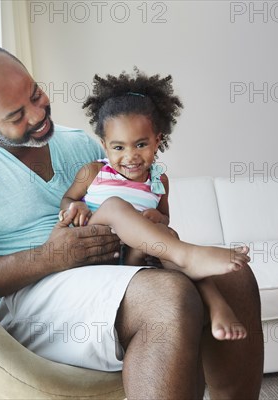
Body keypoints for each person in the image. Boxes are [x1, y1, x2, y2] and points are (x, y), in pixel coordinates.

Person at [0, 44, 263, 399]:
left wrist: (155, 223)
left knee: (234, 277)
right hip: (32, 300)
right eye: (16, 115)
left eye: (36, 95)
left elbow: (134, 199)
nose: (38, 115)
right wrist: (49, 257)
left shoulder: (80, 145)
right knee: (168, 296)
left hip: (113, 272)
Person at [60, 69, 247, 340]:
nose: (131, 156)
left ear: (157, 140)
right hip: (98, 248)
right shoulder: (93, 172)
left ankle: (218, 306)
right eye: (119, 148)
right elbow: (68, 199)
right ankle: (189, 254)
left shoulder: (159, 181)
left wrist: (157, 219)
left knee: (169, 236)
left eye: (141, 144)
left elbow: (165, 217)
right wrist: (75, 207)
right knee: (114, 205)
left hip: (136, 257)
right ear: (104, 145)